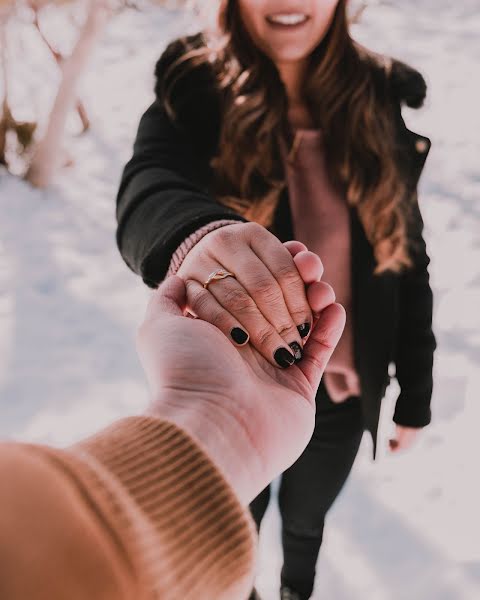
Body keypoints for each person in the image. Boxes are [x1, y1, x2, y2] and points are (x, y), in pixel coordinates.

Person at [116, 1, 436, 598]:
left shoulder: (378, 94)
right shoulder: (194, 87)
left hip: (343, 390)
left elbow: (407, 261)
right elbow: (147, 185)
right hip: (238, 386)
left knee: (308, 521)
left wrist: (415, 393)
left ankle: (297, 589)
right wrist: (198, 235)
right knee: (238, 526)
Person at [0, 266, 345, 600]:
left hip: (344, 404)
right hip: (267, 391)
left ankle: (294, 589)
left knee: (305, 517)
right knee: (253, 515)